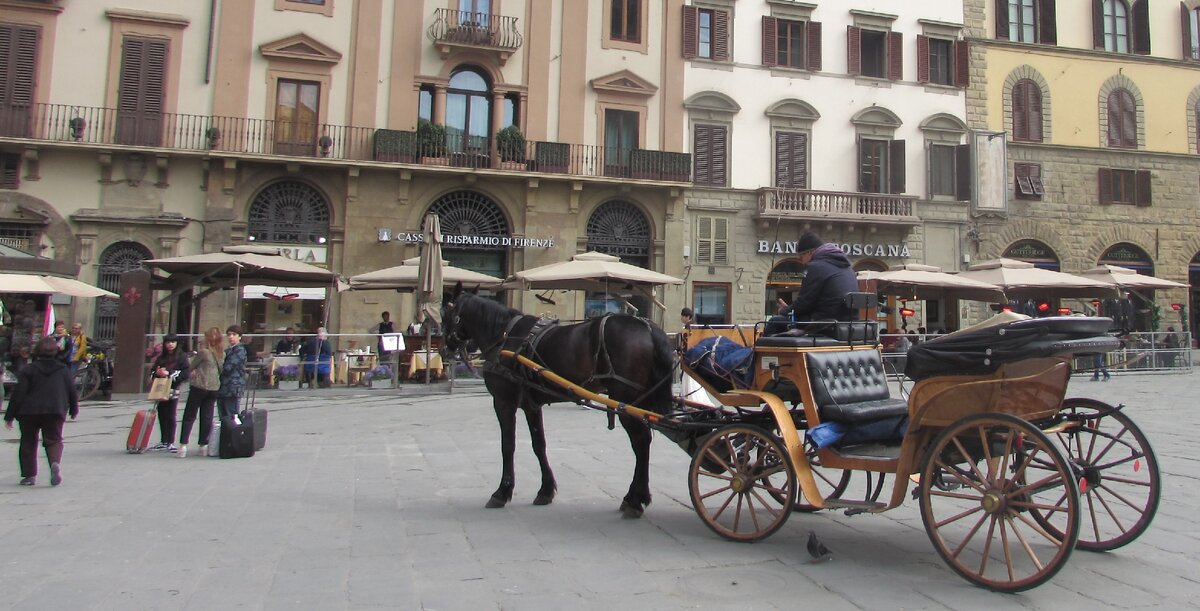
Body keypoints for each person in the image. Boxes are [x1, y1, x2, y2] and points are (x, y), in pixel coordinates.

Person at [4, 336, 78, 486]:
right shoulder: (63, 370)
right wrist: (74, 409)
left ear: (36, 351)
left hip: (29, 411)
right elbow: (72, 390)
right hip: (55, 409)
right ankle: (54, 463)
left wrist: (9, 416)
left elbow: (19, 394)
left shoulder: (28, 370)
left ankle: (29, 476)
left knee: (28, 442)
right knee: (54, 439)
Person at [771, 232, 859, 335]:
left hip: (824, 325)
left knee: (774, 322)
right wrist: (791, 311)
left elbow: (804, 302)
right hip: (849, 325)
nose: (802, 262)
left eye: (801, 257)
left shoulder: (815, 266)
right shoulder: (847, 267)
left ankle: (764, 351)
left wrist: (784, 311)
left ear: (809, 252)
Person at [177, 327, 224, 458]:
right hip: (214, 388)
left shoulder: (204, 352)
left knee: (189, 415)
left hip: (200, 386)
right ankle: (203, 446)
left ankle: (183, 446)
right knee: (207, 416)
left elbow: (190, 366)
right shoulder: (222, 354)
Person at [149, 334, 190, 452]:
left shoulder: (181, 356)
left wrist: (169, 373)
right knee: (162, 413)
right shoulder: (162, 357)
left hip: (173, 387)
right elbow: (153, 370)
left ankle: (170, 441)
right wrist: (158, 372)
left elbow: (185, 372)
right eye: (168, 342)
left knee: (171, 414)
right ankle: (164, 440)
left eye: (173, 342)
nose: (170, 345)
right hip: (161, 388)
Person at [217, 325, 247, 423]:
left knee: (232, 414)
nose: (231, 337)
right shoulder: (229, 350)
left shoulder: (240, 350)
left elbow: (228, 367)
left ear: (239, 336)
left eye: (234, 334)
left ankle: (235, 436)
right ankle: (227, 436)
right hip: (224, 386)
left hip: (233, 386)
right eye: (229, 334)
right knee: (223, 416)